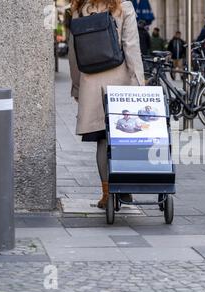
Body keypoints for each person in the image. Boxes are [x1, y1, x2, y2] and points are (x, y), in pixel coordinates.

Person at [68, 0, 144, 209]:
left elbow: (74, 55)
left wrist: (76, 87)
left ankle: (107, 194)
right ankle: (125, 189)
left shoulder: (79, 11)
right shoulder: (123, 6)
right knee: (124, 138)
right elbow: (131, 47)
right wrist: (139, 84)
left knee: (102, 140)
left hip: (90, 83)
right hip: (121, 82)